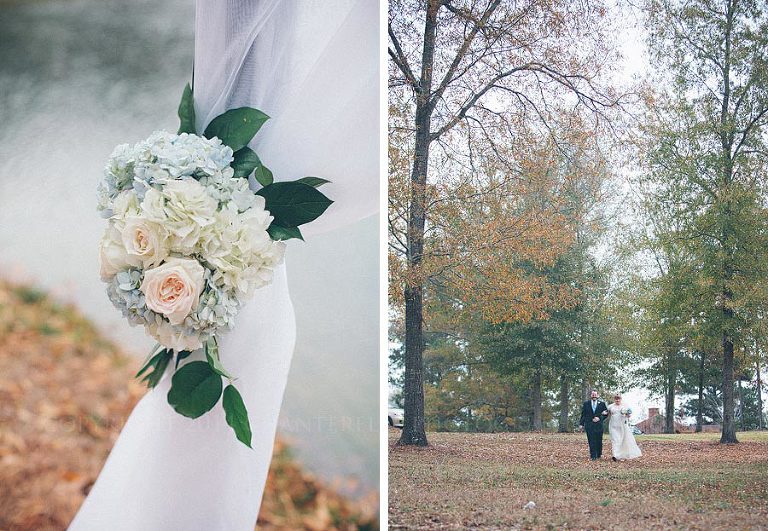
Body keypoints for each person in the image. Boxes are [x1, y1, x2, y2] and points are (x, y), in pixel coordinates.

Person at [606, 394, 642, 461]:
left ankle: (621, 455)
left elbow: (628, 416)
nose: (617, 400)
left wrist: (627, 414)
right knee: (615, 440)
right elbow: (607, 414)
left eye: (619, 399)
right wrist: (604, 413)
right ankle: (615, 455)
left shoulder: (625, 406)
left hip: (622, 425)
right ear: (614, 399)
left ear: (621, 399)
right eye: (616, 399)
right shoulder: (610, 406)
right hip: (613, 426)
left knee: (621, 440)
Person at [579, 390, 608, 460]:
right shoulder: (586, 403)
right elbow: (583, 414)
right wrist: (581, 424)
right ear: (591, 396)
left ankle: (598, 454)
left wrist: (599, 418)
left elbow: (606, 414)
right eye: (593, 394)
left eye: (595, 395)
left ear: (597, 396)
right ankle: (593, 456)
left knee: (599, 440)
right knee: (591, 440)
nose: (594, 396)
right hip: (589, 425)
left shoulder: (602, 404)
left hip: (599, 425)